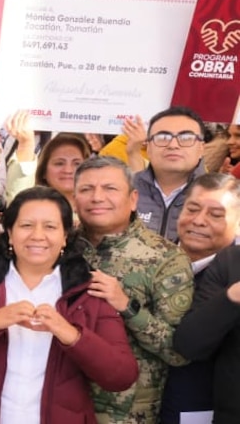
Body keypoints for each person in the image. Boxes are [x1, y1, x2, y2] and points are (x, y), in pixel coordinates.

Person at [0, 186, 138, 424]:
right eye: (26, 225)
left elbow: (121, 376)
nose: (37, 235)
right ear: (9, 231)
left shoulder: (88, 289)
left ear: (65, 235)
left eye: (50, 226)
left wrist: (70, 334)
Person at [72, 157, 193, 423]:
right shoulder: (59, 245)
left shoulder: (165, 258)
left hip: (124, 413)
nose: (97, 197)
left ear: (133, 199)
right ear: (74, 198)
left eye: (110, 188)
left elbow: (178, 351)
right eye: (86, 189)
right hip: (60, 400)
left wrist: (127, 306)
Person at [167, 174, 240, 423]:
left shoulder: (234, 270)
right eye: (192, 209)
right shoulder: (150, 258)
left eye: (216, 215)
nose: (199, 221)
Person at [134, 107, 207, 242]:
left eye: (186, 138)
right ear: (148, 147)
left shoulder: (221, 195)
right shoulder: (124, 190)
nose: (173, 145)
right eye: (163, 137)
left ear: (201, 148)